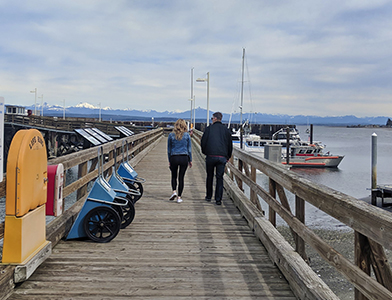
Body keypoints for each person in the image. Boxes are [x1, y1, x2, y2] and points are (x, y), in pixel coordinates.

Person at [201, 112, 232, 205]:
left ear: (215, 118)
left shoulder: (208, 129)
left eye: (212, 118)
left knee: (209, 176)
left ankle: (208, 196)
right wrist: (228, 156)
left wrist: (205, 152)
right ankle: (218, 199)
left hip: (210, 156)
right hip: (222, 157)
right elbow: (229, 144)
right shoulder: (226, 130)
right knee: (219, 178)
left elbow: (203, 142)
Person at [167, 119, 192, 203]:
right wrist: (190, 160)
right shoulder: (187, 135)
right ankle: (179, 197)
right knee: (181, 177)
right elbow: (189, 149)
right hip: (184, 157)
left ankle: (174, 191)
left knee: (174, 176)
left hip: (174, 157)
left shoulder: (171, 135)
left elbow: (169, 150)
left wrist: (169, 160)